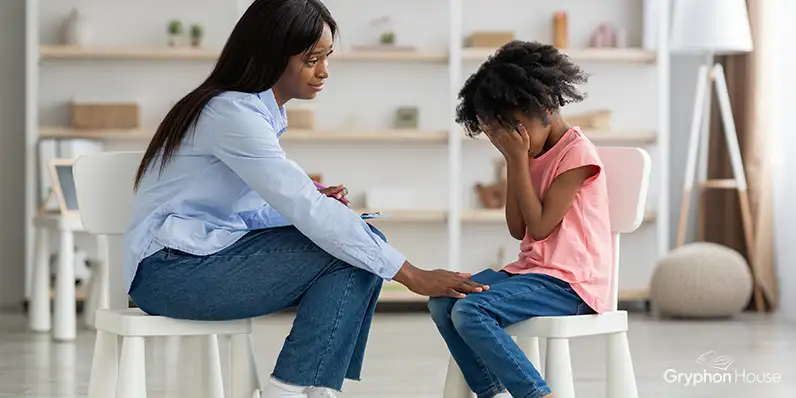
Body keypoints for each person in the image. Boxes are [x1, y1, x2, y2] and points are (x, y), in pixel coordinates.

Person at [123, 1, 487, 397]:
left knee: (360, 247)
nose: (324, 71)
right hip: (167, 272)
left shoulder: (253, 111)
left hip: (197, 257)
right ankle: (296, 389)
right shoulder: (232, 114)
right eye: (311, 59)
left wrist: (308, 205)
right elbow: (302, 207)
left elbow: (247, 213)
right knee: (357, 251)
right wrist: (413, 276)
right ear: (270, 55)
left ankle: (309, 390)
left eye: (327, 57)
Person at [428, 40, 612, 398]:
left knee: (471, 312)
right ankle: (493, 392)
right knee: (443, 301)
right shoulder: (529, 155)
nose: (515, 138)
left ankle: (537, 395)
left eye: (515, 126)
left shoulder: (578, 154)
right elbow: (519, 229)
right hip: (534, 274)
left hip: (571, 283)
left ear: (542, 103)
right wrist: (518, 162)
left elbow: (541, 229)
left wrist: (516, 160)